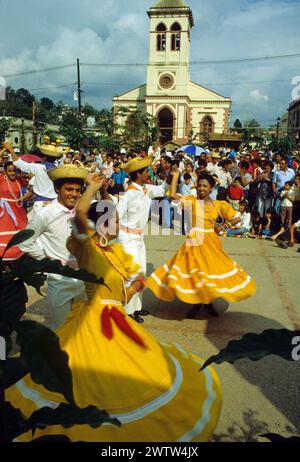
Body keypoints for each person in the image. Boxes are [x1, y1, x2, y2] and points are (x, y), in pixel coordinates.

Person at [6, 173, 222, 443]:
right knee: (82, 371)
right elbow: (79, 218)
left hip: (114, 320)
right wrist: (92, 188)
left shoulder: (111, 252)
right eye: (114, 220)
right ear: (100, 225)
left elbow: (116, 293)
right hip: (92, 322)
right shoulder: (87, 249)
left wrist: (135, 287)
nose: (120, 225)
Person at [146, 172, 256, 317]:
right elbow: (172, 196)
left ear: (211, 188)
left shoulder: (218, 205)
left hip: (211, 242)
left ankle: (208, 303)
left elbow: (236, 217)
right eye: (199, 186)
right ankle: (197, 304)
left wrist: (222, 227)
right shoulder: (191, 200)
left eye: (205, 186)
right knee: (196, 273)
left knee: (210, 273)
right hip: (194, 242)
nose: (201, 188)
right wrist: (175, 176)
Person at [18, 164, 88, 329]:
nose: (74, 194)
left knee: (82, 324)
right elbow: (24, 241)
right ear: (57, 189)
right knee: (62, 326)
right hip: (59, 279)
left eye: (78, 190)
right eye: (69, 189)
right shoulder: (45, 214)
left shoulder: (82, 211)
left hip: (84, 276)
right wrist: (45, 259)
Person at [117, 155, 170, 323]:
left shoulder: (146, 188)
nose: (149, 173)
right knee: (132, 275)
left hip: (139, 236)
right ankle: (127, 310)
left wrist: (171, 176)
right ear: (139, 174)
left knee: (141, 273)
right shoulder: (129, 194)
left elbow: (162, 190)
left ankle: (136, 307)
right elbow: (115, 215)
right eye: (146, 171)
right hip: (128, 238)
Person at [3, 142, 63, 211]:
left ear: (44, 158)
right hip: (55, 204)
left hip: (40, 204)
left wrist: (10, 149)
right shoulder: (59, 170)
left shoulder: (39, 168)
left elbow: (18, 163)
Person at [0, 160, 28, 261]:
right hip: (3, 211)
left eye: (14, 171)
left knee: (19, 236)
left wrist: (23, 198)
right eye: (9, 171)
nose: (12, 173)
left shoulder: (19, 180)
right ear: (5, 171)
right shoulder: (2, 179)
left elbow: (34, 188)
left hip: (17, 211)